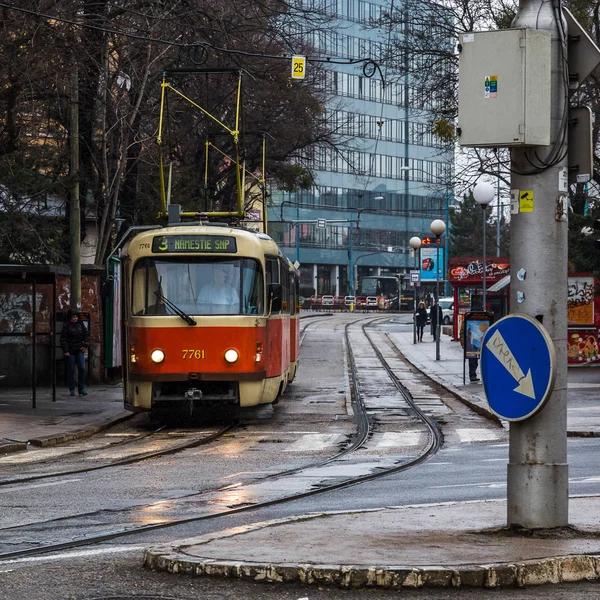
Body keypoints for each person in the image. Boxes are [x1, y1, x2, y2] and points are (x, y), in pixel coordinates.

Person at [60, 309, 90, 397]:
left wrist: (85, 345)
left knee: (82, 368)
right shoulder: (66, 326)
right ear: (70, 317)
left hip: (79, 350)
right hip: (70, 351)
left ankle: (81, 388)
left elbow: (86, 335)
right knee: (71, 370)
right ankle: (72, 389)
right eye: (73, 317)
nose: (75, 318)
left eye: (76, 317)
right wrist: (66, 350)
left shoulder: (80, 324)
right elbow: (63, 339)